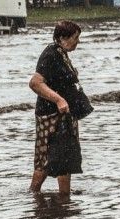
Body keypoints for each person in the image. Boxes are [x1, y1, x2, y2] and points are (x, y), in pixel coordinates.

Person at [28, 20, 84, 195]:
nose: (78, 42)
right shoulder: (50, 54)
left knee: (65, 157)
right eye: (75, 38)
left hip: (64, 115)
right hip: (50, 115)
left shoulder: (62, 54)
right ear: (62, 38)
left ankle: (64, 197)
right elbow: (35, 83)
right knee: (45, 159)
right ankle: (33, 194)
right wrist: (59, 100)